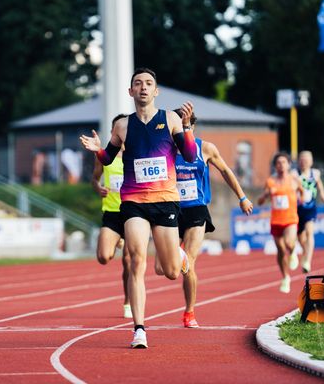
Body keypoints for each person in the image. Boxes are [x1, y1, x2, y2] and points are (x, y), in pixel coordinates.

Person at [80, 67, 196, 349]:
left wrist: (188, 127)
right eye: (137, 84)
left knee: (170, 271)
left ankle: (177, 255)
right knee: (135, 260)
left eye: (148, 84)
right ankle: (139, 329)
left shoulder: (169, 119)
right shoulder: (123, 126)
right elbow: (107, 159)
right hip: (132, 202)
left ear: (155, 91)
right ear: (130, 92)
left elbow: (190, 156)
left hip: (165, 200)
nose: (143, 87)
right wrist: (98, 148)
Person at [174, 110, 253, 328]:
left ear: (193, 127)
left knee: (189, 263)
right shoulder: (166, 150)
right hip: (170, 210)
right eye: (179, 128)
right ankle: (175, 253)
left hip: (196, 209)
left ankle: (189, 312)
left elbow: (226, 171)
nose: (183, 131)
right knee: (163, 269)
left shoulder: (205, 148)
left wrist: (242, 197)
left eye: (187, 126)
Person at [91, 114, 132, 319]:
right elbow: (94, 179)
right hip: (111, 214)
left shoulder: (135, 154)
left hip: (132, 213)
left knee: (129, 261)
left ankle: (128, 302)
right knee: (103, 257)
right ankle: (117, 241)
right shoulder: (104, 157)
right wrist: (98, 188)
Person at [257, 152, 303, 293]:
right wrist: (266, 194)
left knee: (289, 243)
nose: (281, 165)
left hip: (291, 219)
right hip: (276, 221)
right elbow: (260, 202)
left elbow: (303, 192)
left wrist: (302, 198)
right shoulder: (270, 181)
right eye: (278, 163)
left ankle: (294, 252)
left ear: (289, 164)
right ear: (275, 166)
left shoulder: (294, 180)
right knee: (281, 250)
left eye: (284, 162)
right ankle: (285, 277)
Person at [292, 150, 324, 273]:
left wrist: (322, 193)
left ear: (311, 162)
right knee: (300, 238)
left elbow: (319, 184)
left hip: (310, 208)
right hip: (297, 209)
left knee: (309, 232)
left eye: (306, 160)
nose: (304, 162)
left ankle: (307, 261)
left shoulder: (315, 173)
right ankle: (305, 253)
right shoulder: (294, 174)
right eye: (301, 160)